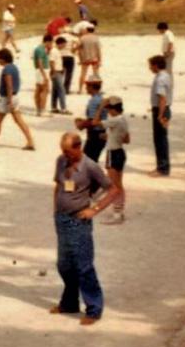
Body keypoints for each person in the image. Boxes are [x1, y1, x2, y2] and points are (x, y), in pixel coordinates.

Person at [48, 132, 119, 325]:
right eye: (63, 151)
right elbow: (58, 186)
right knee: (64, 264)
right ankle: (69, 303)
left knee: (83, 266)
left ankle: (94, 308)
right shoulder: (61, 161)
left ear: (78, 148)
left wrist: (94, 209)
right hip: (62, 219)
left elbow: (113, 190)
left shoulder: (90, 166)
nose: (65, 155)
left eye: (68, 151)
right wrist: (56, 209)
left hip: (79, 221)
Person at [0, 49, 35, 151]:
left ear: (3, 59)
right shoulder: (14, 67)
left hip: (6, 98)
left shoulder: (6, 70)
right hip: (15, 97)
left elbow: (9, 86)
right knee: (19, 120)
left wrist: (9, 101)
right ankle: (30, 141)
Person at [100, 98, 130, 224]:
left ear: (113, 109)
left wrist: (99, 108)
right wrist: (112, 137)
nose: (107, 111)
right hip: (120, 152)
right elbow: (127, 139)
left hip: (113, 152)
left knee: (114, 186)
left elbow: (96, 122)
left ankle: (117, 214)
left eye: (108, 109)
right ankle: (119, 211)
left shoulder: (114, 120)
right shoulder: (123, 120)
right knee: (119, 184)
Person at [148, 55, 173, 176]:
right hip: (163, 109)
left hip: (161, 110)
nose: (150, 68)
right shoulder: (166, 75)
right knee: (160, 139)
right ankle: (161, 166)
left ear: (156, 66)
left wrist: (160, 114)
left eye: (151, 65)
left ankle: (163, 168)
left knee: (160, 140)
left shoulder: (160, 79)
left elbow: (162, 98)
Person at [74, 76, 107, 163]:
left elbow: (92, 121)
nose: (86, 87)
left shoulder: (94, 101)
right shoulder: (100, 98)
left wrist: (80, 125)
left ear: (92, 86)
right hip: (101, 133)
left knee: (86, 162)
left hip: (95, 135)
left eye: (87, 85)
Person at [77, 23, 102, 91]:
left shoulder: (82, 38)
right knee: (96, 74)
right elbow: (98, 50)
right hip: (94, 59)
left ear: (87, 30)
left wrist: (80, 58)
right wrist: (100, 60)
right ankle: (97, 89)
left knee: (83, 74)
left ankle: (80, 89)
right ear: (93, 30)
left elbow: (78, 47)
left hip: (85, 59)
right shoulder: (96, 38)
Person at [33, 34, 52, 116]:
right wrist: (44, 76)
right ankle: (42, 109)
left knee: (38, 90)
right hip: (43, 70)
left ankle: (38, 109)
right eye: (51, 43)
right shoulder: (41, 50)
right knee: (45, 90)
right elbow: (40, 63)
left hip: (39, 71)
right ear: (48, 41)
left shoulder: (39, 49)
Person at [49, 36, 69, 114]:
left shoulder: (56, 51)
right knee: (61, 90)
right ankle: (63, 108)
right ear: (60, 44)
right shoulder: (54, 51)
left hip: (58, 71)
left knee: (55, 90)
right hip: (56, 72)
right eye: (64, 45)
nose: (64, 46)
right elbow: (52, 62)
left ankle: (54, 107)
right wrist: (53, 72)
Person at [60, 27, 78, 94]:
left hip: (61, 56)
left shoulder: (59, 36)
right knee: (69, 73)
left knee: (60, 73)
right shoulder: (72, 37)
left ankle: (59, 88)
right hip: (70, 56)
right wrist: (74, 49)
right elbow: (79, 43)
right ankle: (66, 89)